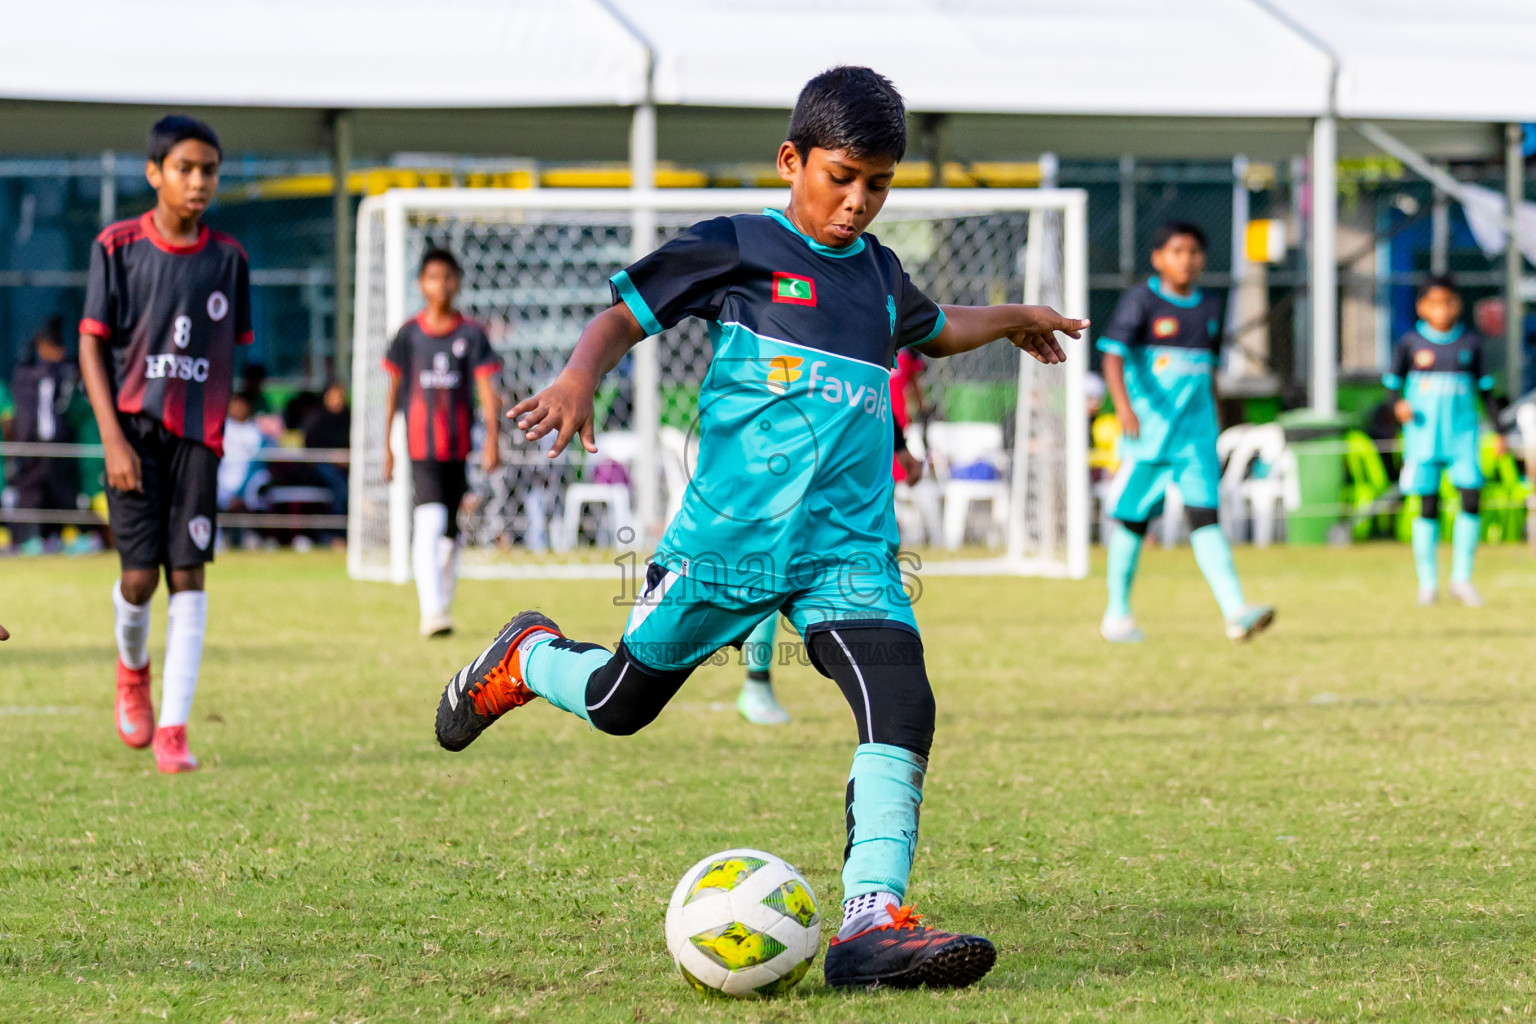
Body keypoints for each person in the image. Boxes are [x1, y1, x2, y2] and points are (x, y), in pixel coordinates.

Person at [431, 67, 1087, 990]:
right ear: (793, 161)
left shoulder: (880, 277)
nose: (858, 202)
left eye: (879, 184)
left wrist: (1015, 315)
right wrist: (582, 374)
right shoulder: (739, 246)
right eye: (841, 177)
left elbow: (935, 329)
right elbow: (620, 317)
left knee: (902, 701)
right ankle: (527, 657)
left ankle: (869, 925)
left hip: (844, 553)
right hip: (725, 548)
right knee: (621, 703)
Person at [78, 114, 252, 774]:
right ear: (155, 174)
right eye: (185, 168)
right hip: (134, 435)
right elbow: (91, 343)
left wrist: (220, 434)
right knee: (139, 577)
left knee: (189, 575)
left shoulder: (230, 258)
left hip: (197, 444)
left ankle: (173, 730)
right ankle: (132, 669)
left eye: (209, 169)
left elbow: (227, 354)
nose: (199, 180)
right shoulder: (117, 246)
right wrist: (112, 439)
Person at [1098, 222, 1275, 644]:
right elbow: (1111, 357)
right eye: (1177, 251)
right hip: (1150, 435)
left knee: (1206, 520)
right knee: (1134, 522)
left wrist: (1216, 416)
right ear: (1158, 258)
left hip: (1196, 438)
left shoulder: (1209, 308)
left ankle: (1236, 612)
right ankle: (1116, 614)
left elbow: (1208, 371)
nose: (1187, 259)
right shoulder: (1141, 301)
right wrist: (1122, 407)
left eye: (1194, 252)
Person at [736, 363, 926, 727]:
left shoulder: (879, 317)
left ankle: (873, 675)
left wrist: (899, 448)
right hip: (791, 467)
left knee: (874, 561)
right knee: (769, 571)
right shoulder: (787, 331)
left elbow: (871, 389)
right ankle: (756, 682)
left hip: (854, 474)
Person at [382, 248, 503, 638]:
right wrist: (386, 444)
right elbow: (393, 391)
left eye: (448, 277)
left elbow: (487, 391)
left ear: (458, 282)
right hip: (420, 447)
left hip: (459, 446)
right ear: (421, 283)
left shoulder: (471, 334)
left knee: (450, 533)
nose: (441, 285)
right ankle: (431, 611)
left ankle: (442, 604)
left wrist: (493, 442)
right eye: (433, 277)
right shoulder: (408, 335)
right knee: (428, 521)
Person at [1386, 275, 1503, 606]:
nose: (1442, 309)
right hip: (1424, 437)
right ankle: (1428, 583)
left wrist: (1498, 431)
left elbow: (1487, 391)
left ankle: (1462, 578)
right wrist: (1399, 404)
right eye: (1434, 303)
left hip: (1463, 436)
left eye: (1448, 302)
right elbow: (1392, 385)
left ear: (1458, 304)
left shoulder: (1469, 344)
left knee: (1470, 499)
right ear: (1422, 306)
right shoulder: (1410, 343)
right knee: (1428, 504)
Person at [9, 318, 80, 552]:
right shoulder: (26, 374)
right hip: (31, 445)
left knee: (59, 491)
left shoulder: (64, 373)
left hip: (56, 444)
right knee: (28, 492)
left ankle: (57, 538)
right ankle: (23, 540)